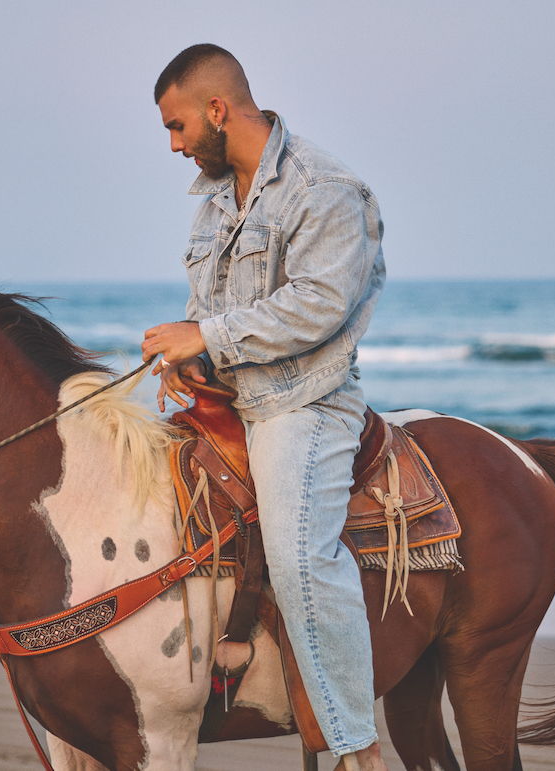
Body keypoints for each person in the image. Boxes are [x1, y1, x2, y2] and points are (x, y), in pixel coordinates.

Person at [141, 44, 387, 771]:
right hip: (230, 396)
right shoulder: (215, 199)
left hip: (302, 403)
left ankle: (355, 748)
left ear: (217, 110)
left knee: (297, 554)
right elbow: (208, 308)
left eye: (177, 126)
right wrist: (189, 360)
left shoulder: (327, 188)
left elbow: (318, 305)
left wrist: (206, 336)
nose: (175, 145)